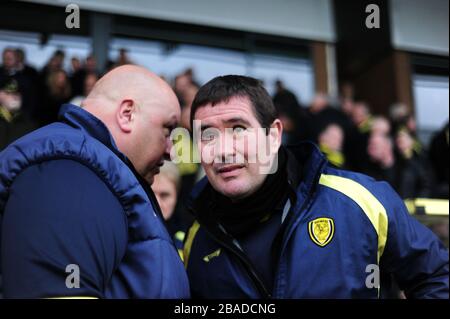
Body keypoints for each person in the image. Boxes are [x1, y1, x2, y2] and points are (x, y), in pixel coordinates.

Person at [183, 75, 448, 299]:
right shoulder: (196, 240)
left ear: (273, 136)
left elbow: (437, 275)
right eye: (208, 135)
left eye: (238, 129)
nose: (223, 150)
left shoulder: (358, 202)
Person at [0, 65, 190, 298]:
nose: (172, 151)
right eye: (168, 129)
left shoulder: (91, 171)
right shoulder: (70, 172)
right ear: (127, 113)